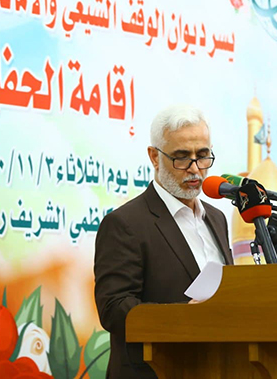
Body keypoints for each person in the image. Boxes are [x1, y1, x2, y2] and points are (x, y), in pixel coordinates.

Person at [94, 104, 234, 378]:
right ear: (154, 157)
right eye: (181, 157)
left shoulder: (216, 218)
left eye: (202, 156)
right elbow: (113, 308)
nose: (195, 169)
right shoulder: (125, 224)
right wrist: (181, 318)